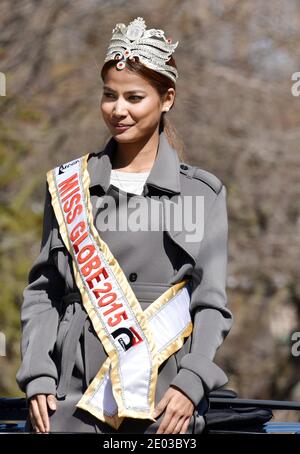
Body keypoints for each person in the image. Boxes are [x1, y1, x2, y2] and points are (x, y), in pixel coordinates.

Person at [16, 16, 233, 434]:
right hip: (71, 398)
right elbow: (44, 293)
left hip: (164, 401)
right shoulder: (68, 186)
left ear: (166, 98)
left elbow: (212, 304)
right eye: (109, 96)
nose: (119, 110)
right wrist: (38, 373)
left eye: (135, 97)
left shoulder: (202, 194)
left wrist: (192, 384)